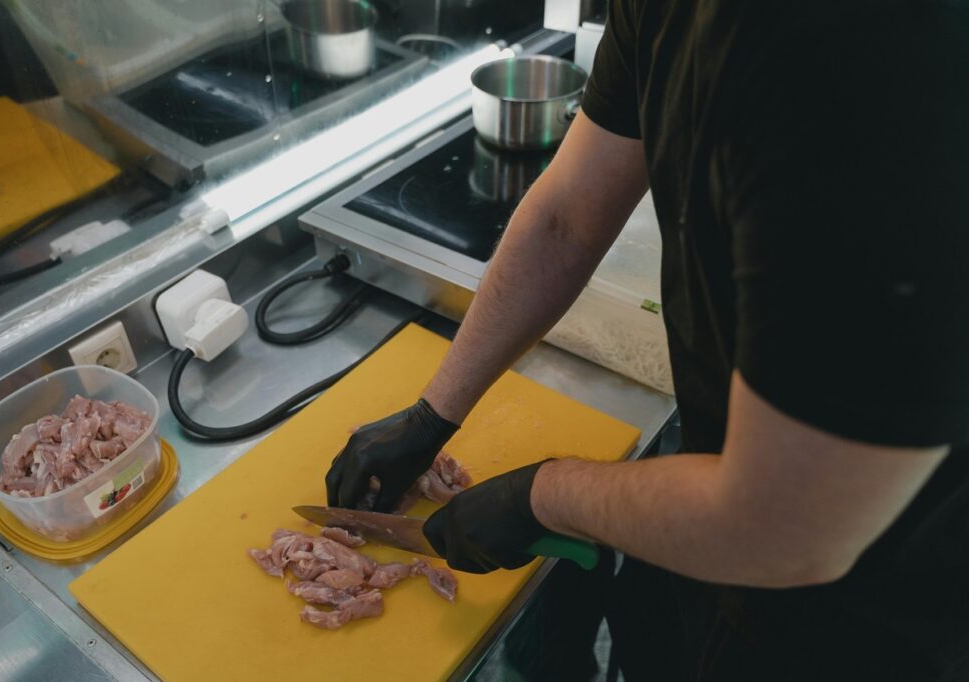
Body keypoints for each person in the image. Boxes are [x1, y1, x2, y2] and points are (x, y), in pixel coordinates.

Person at [326, 2, 969, 680]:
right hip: (718, 498)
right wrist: (435, 412)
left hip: (873, 611)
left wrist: (539, 496)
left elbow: (789, 530)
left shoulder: (884, 60)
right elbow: (568, 214)